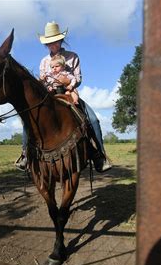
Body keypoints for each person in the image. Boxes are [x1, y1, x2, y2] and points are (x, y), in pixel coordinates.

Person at [15, 21, 112, 173]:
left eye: (55, 41)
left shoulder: (73, 57)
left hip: (68, 93)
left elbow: (78, 79)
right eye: (49, 43)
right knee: (29, 120)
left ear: (61, 40)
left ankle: (99, 156)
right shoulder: (44, 61)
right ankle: (26, 155)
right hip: (49, 96)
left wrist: (68, 81)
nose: (52, 45)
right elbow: (41, 82)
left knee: (93, 119)